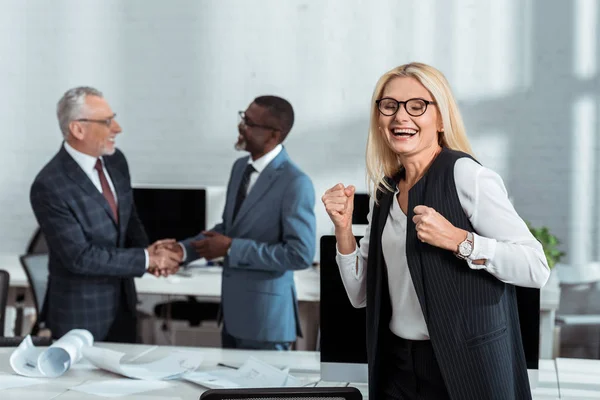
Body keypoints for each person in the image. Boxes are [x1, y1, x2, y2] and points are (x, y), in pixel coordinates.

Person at [321, 63, 550, 400]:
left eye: (417, 106)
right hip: (398, 364)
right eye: (390, 105)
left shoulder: (466, 176)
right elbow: (360, 295)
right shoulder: (384, 192)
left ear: (441, 119)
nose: (401, 117)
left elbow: (536, 267)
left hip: (465, 363)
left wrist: (460, 241)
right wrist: (343, 230)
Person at [30, 86, 180, 343]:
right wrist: (146, 260)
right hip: (80, 314)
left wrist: (150, 251)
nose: (117, 128)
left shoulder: (115, 160)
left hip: (124, 303)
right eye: (107, 121)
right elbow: (79, 257)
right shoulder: (50, 185)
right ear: (78, 129)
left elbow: (129, 218)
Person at [166, 95, 316, 350]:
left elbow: (300, 255)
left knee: (259, 392)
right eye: (242, 117)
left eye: (249, 122)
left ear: (273, 135)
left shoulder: (295, 182)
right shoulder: (240, 168)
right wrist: (180, 251)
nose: (241, 126)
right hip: (233, 317)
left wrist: (232, 248)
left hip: (267, 321)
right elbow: (227, 229)